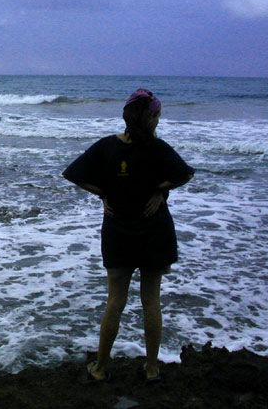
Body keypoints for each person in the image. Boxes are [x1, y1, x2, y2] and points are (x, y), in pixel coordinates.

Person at [62, 88, 194, 384]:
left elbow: (73, 173)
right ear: (151, 118)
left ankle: (99, 368)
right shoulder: (158, 148)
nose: (159, 121)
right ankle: (151, 369)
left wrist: (104, 193)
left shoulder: (107, 146)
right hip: (153, 230)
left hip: (118, 230)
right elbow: (185, 174)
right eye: (157, 115)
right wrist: (160, 190)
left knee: (115, 301)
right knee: (151, 301)